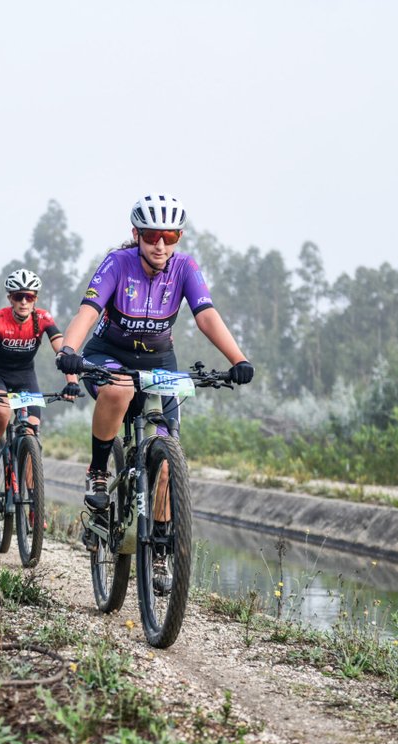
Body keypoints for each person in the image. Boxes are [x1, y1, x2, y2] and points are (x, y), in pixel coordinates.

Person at [55, 193, 253, 544]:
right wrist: (69, 349)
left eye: (170, 237)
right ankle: (99, 470)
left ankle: (160, 547)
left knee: (166, 462)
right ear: (136, 235)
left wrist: (238, 359)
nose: (160, 245)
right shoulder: (117, 263)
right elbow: (88, 310)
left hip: (159, 360)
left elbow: (206, 316)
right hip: (109, 353)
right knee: (119, 389)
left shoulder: (185, 268)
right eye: (151, 236)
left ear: (179, 238)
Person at [0, 269, 81, 490]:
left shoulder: (43, 319)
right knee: (1, 413)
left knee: (31, 433)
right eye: (18, 296)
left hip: (26, 378)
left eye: (30, 296)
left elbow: (63, 351)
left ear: (35, 298)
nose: (24, 302)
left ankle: (35, 508)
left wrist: (72, 381)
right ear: (10, 298)